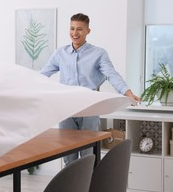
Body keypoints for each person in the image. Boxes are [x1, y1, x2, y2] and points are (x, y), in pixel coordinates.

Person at [40, 13, 140, 167]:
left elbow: (111, 75)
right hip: (66, 108)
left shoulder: (98, 53)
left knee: (88, 154)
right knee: (68, 154)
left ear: (88, 31)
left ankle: (89, 190)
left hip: (90, 108)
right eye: (72, 28)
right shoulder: (60, 53)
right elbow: (43, 75)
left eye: (79, 29)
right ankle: (71, 190)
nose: (75, 33)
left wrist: (128, 93)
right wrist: (26, 86)